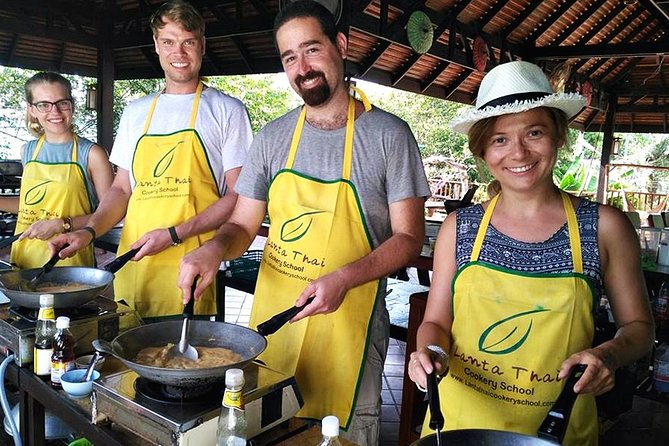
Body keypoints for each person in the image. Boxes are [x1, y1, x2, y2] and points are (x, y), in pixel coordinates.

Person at [177, 1, 430, 443]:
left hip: (350, 328)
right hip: (276, 325)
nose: (302, 67)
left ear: (341, 46)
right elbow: (242, 224)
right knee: (268, 430)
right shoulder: (274, 138)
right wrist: (213, 249)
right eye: (289, 57)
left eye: (311, 49)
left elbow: (409, 239)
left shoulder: (389, 135)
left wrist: (345, 277)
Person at [407, 61, 654, 445]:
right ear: (483, 150)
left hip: (559, 429)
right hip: (458, 426)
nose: (518, 152)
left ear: (558, 136)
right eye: (500, 139)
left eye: (534, 132)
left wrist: (609, 355)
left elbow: (639, 329)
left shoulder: (605, 226)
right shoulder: (461, 228)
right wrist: (430, 352)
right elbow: (436, 322)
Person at [50, 0, 253, 320]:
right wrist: (88, 232)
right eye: (169, 42)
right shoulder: (136, 112)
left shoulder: (227, 110)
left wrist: (174, 235)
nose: (179, 52)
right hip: (136, 264)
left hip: (191, 267)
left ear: (201, 45)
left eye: (188, 42)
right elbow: (120, 190)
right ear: (157, 46)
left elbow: (238, 195)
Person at [0, 72, 113, 268]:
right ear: (31, 109)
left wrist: (62, 224)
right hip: (23, 257)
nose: (55, 111)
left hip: (68, 260)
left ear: (71, 105)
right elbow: (30, 205)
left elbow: (111, 213)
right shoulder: (28, 151)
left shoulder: (92, 154)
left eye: (62, 102)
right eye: (43, 104)